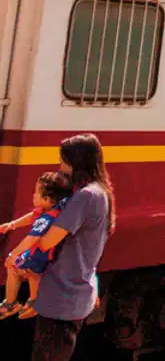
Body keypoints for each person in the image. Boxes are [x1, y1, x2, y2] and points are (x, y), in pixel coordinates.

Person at [29, 134, 115, 361]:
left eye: (63, 161)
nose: (61, 167)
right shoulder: (102, 192)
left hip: (61, 297)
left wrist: (40, 219)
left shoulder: (85, 196)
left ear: (77, 162)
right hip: (77, 292)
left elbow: (47, 241)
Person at [0, 172, 73, 319]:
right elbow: (31, 217)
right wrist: (13, 224)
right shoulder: (52, 211)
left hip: (38, 254)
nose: (33, 195)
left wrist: (14, 255)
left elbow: (31, 239)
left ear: (47, 199)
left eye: (36, 193)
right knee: (33, 274)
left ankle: (10, 303)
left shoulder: (45, 219)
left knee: (13, 267)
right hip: (42, 254)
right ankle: (34, 301)